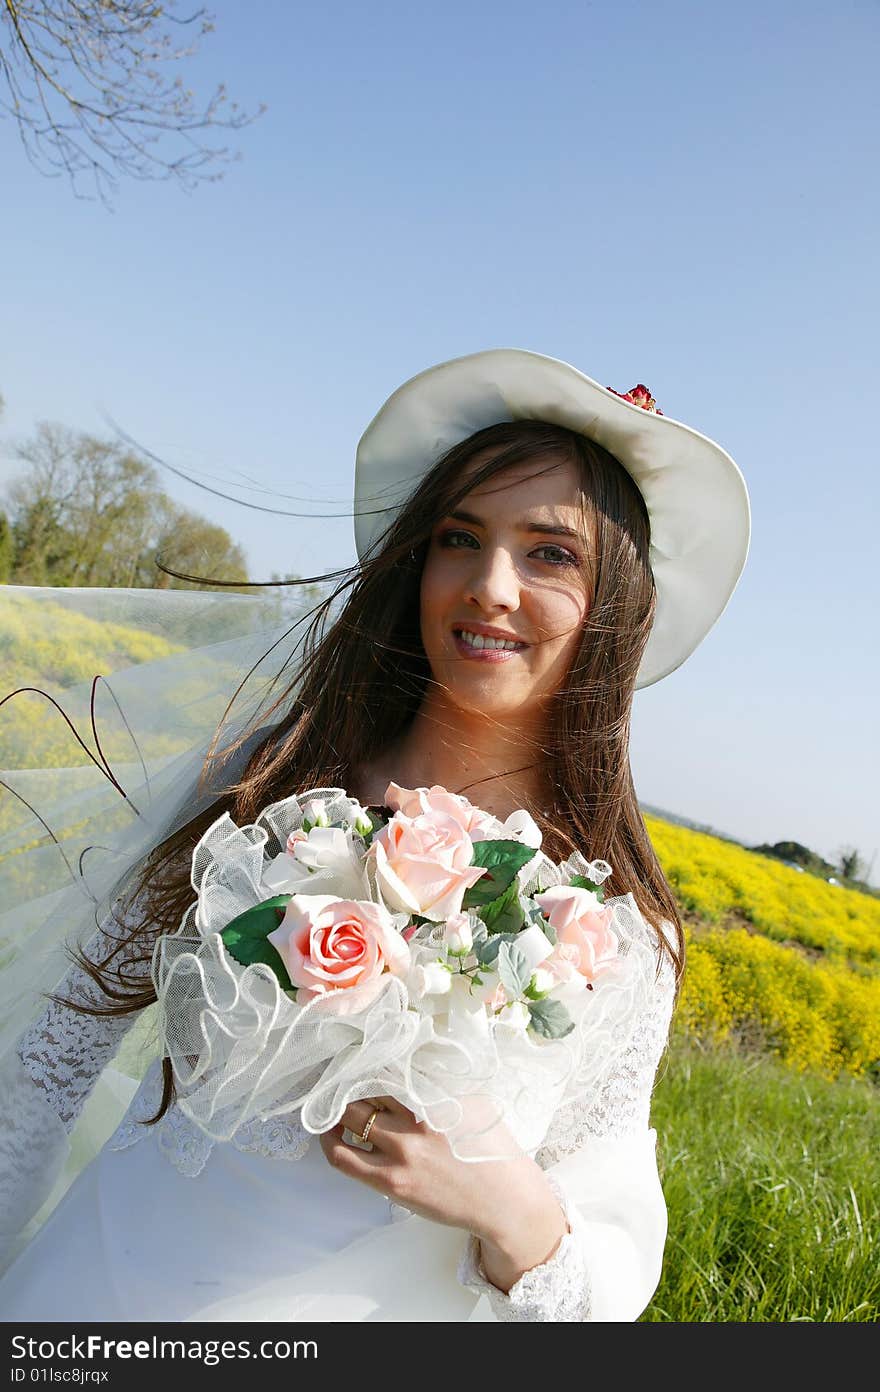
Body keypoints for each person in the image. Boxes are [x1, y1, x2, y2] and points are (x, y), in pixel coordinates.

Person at [0, 348, 750, 1322]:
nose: (489, 585)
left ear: (615, 604)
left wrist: (508, 1205)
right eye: (457, 537)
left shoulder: (619, 940)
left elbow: (604, 1271)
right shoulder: (269, 781)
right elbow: (58, 1051)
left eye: (550, 552)